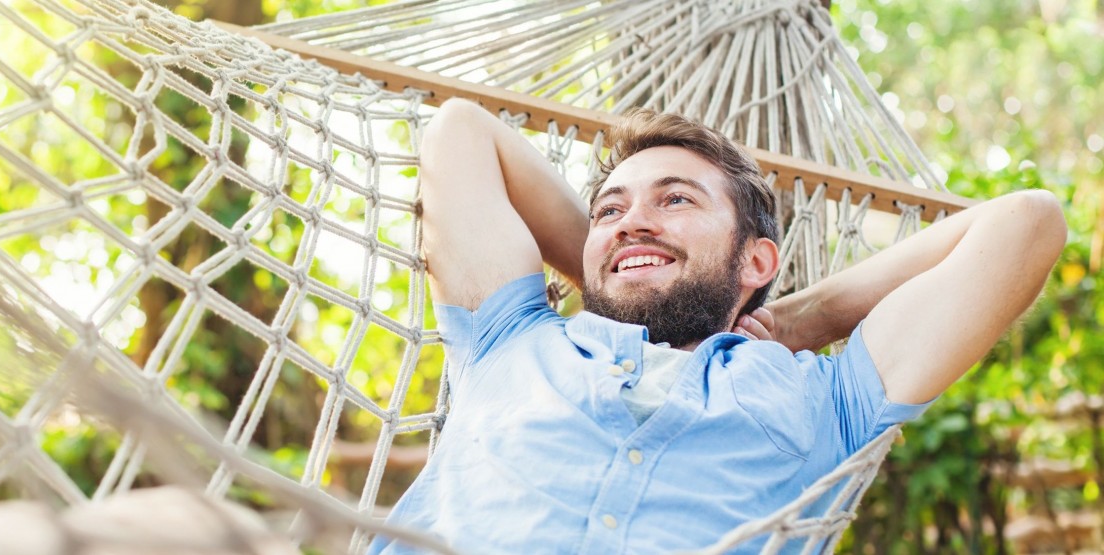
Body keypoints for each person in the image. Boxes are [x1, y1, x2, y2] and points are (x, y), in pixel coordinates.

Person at [369, 99, 1066, 554]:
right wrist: (633, 255)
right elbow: (459, 130)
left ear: (757, 258)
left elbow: (1028, 225)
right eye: (609, 210)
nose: (633, 217)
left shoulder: (826, 399)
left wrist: (796, 319)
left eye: (675, 199)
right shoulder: (511, 337)